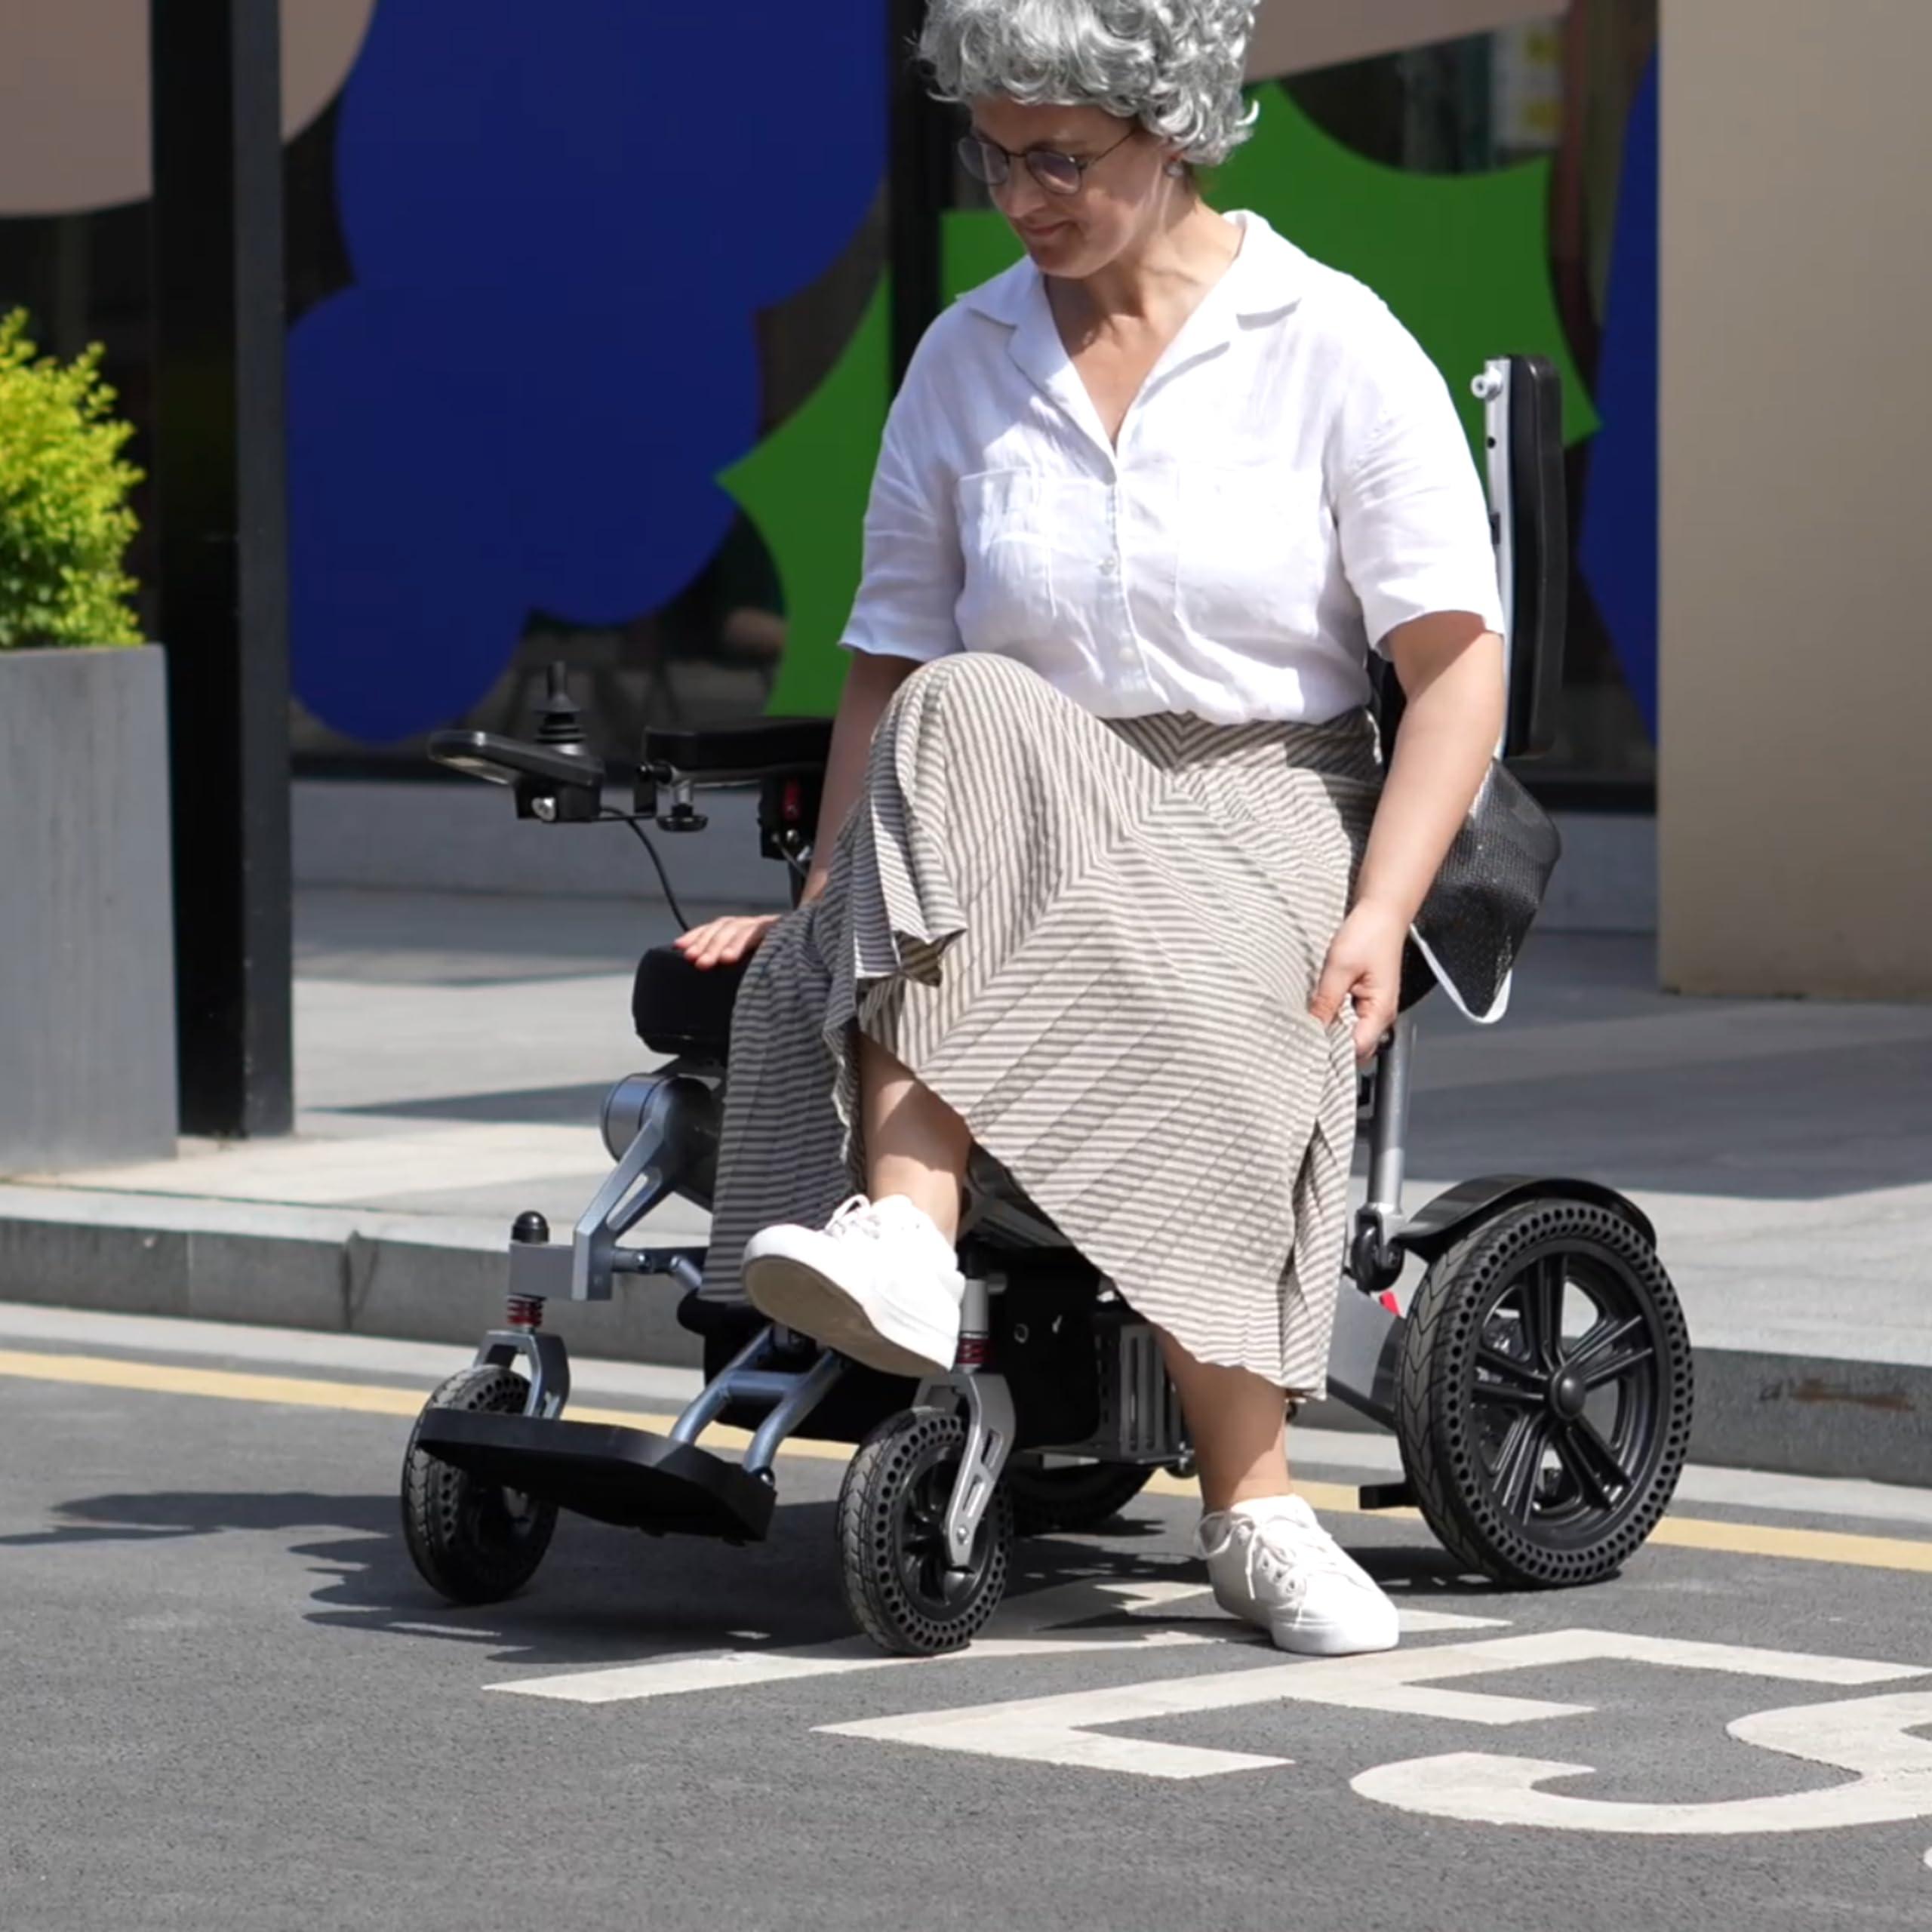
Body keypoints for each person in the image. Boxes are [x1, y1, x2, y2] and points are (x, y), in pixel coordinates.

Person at [675, 0, 1506, 1658]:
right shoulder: (963, 356)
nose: (1021, 194)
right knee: (960, 706)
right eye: (992, 154)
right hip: (1013, 795)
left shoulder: (1329, 341)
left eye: (1061, 155)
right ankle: (903, 1237)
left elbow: (1455, 667)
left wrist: (1378, 910)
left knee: (1193, 1000)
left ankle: (1252, 1505)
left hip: (1265, 795)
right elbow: (885, 666)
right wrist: (830, 893)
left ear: (1174, 129)